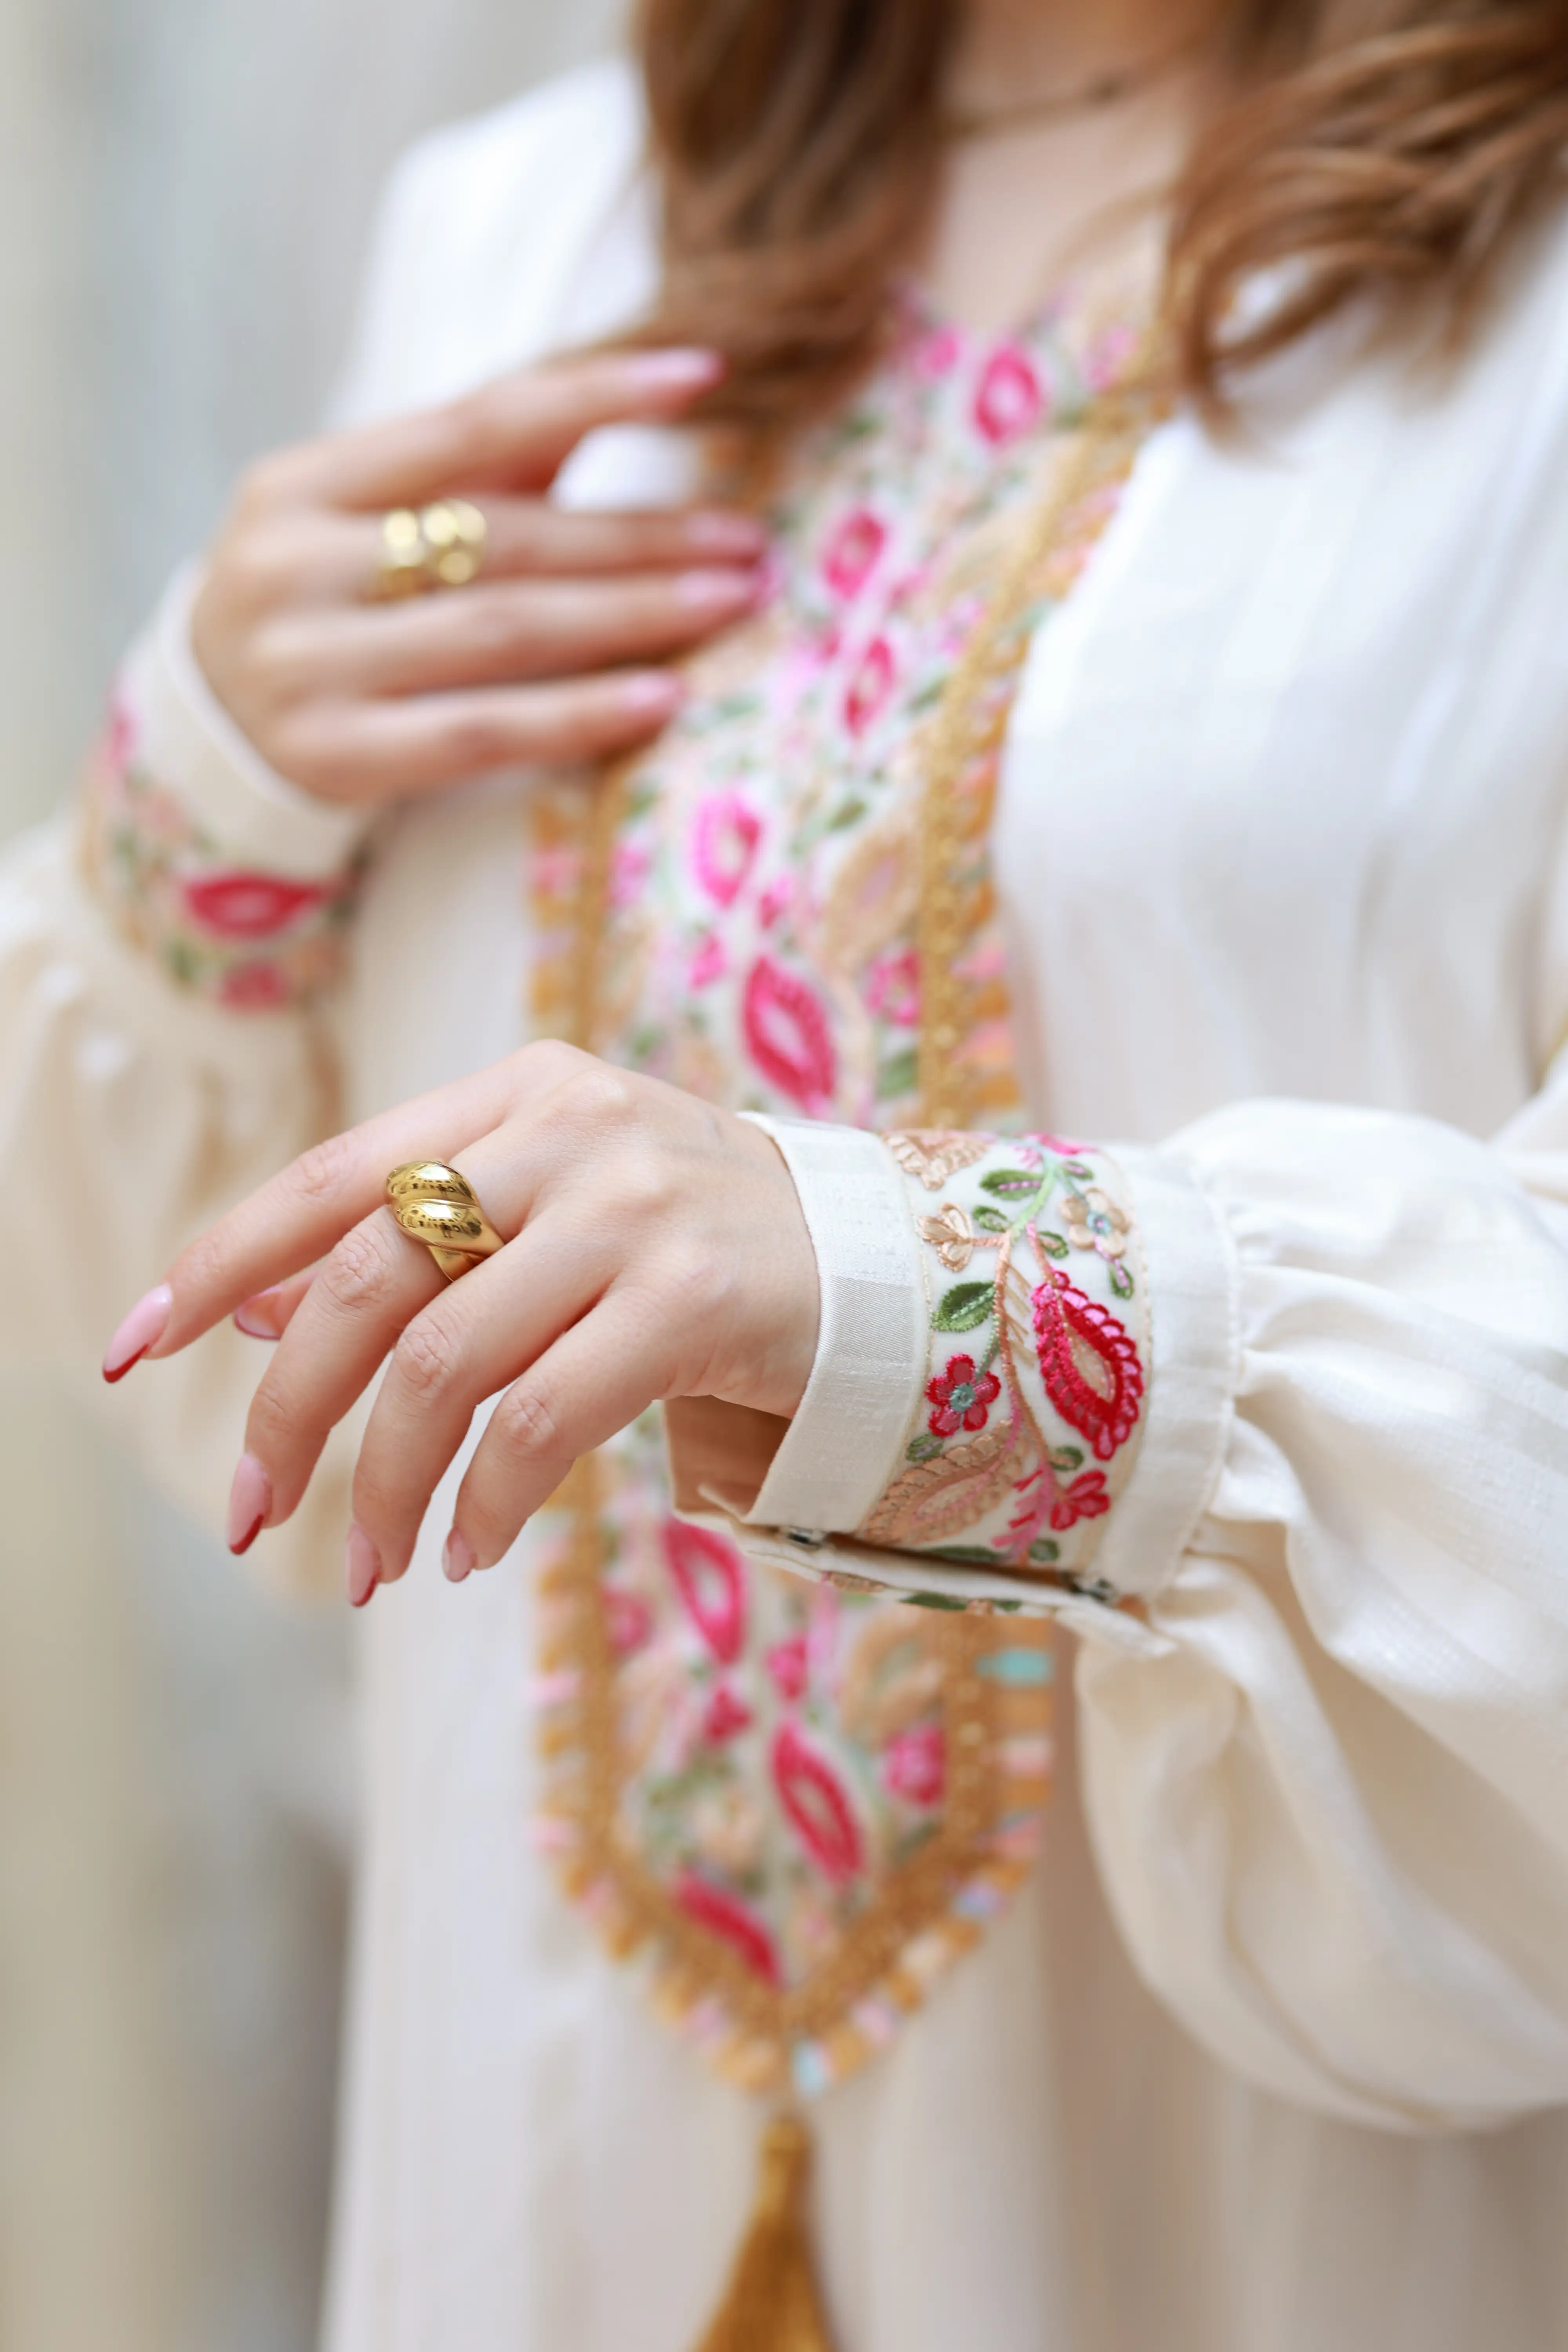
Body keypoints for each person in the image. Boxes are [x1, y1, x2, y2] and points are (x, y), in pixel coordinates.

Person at [8, 0, 1568, 2343]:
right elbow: (225, 1349)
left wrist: (915, 1290)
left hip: (1252, 2207)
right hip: (530, 2186)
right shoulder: (530, 239)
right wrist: (208, 785)